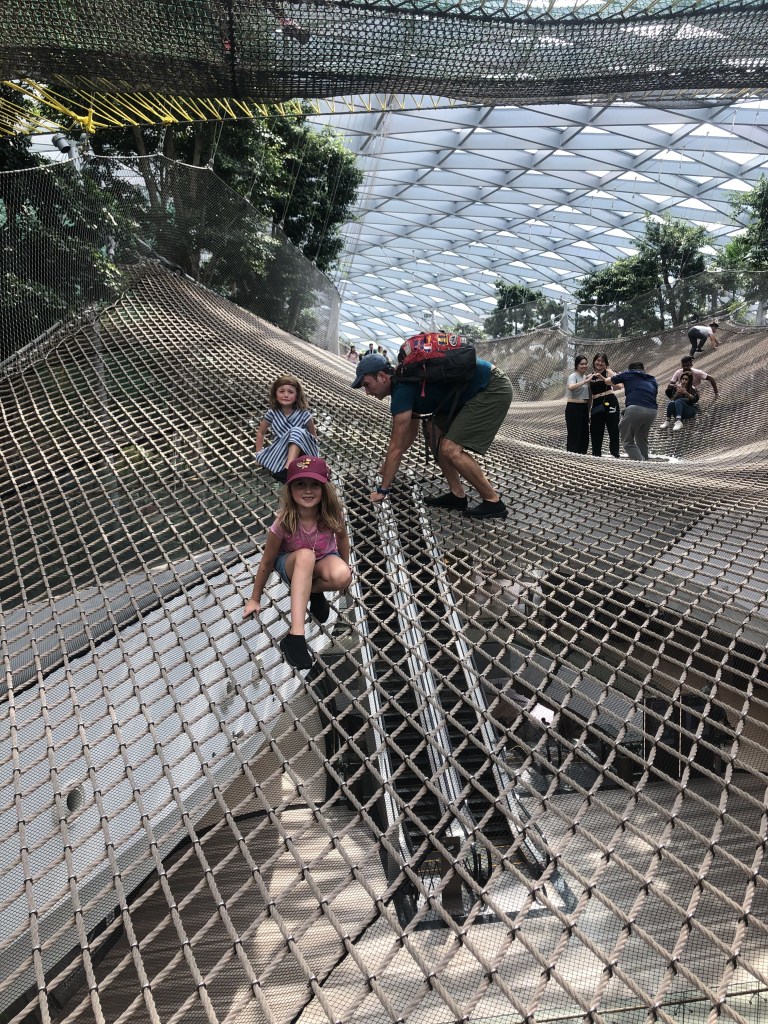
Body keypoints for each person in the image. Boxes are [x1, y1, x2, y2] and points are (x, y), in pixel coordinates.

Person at [351, 352, 512, 519]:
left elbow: (396, 447)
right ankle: (457, 495)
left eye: (367, 385)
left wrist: (382, 490)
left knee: (450, 449)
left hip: (491, 386)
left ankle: (493, 501)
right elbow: (410, 434)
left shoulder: (402, 390)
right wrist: (387, 464)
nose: (367, 392)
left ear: (382, 376)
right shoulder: (404, 382)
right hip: (470, 389)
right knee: (432, 430)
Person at [244, 456, 351, 670]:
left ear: (324, 489)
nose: (308, 491)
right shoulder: (284, 522)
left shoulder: (331, 515)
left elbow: (342, 539)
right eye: (300, 484)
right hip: (292, 565)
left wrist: (345, 565)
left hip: (320, 563)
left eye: (314, 485)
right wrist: (255, 598)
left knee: (342, 575)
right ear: (290, 488)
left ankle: (311, 591)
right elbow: (267, 561)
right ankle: (295, 636)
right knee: (305, 556)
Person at [254, 375, 319, 484]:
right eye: (281, 391)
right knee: (293, 432)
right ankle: (285, 466)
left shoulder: (304, 415)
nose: (286, 395)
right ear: (276, 393)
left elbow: (313, 438)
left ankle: (288, 469)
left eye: (290, 392)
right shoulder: (273, 413)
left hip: (302, 451)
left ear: (297, 395)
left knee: (296, 431)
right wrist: (258, 453)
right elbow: (261, 432)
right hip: (282, 451)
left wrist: (317, 458)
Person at [610, 361, 658, 461]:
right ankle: (645, 460)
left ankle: (640, 464)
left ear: (630, 369)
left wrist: (608, 371)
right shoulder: (652, 379)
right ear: (643, 370)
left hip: (635, 408)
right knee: (641, 437)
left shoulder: (628, 374)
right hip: (652, 411)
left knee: (627, 440)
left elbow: (609, 381)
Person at [589, 352, 623, 458]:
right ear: (594, 361)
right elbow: (590, 395)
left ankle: (614, 452)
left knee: (613, 427)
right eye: (598, 360)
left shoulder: (608, 372)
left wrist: (604, 379)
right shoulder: (589, 376)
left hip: (610, 401)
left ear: (606, 363)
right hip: (596, 403)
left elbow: (619, 386)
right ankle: (596, 453)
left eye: (602, 361)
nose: (600, 363)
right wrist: (588, 411)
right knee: (595, 429)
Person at [565, 355, 592, 454]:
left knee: (584, 435)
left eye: (585, 364)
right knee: (574, 435)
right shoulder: (573, 376)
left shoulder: (586, 377)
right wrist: (585, 381)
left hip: (584, 408)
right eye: (581, 364)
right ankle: (572, 457)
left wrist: (588, 411)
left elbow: (589, 396)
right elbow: (571, 387)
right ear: (577, 365)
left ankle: (582, 456)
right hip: (574, 408)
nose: (584, 366)